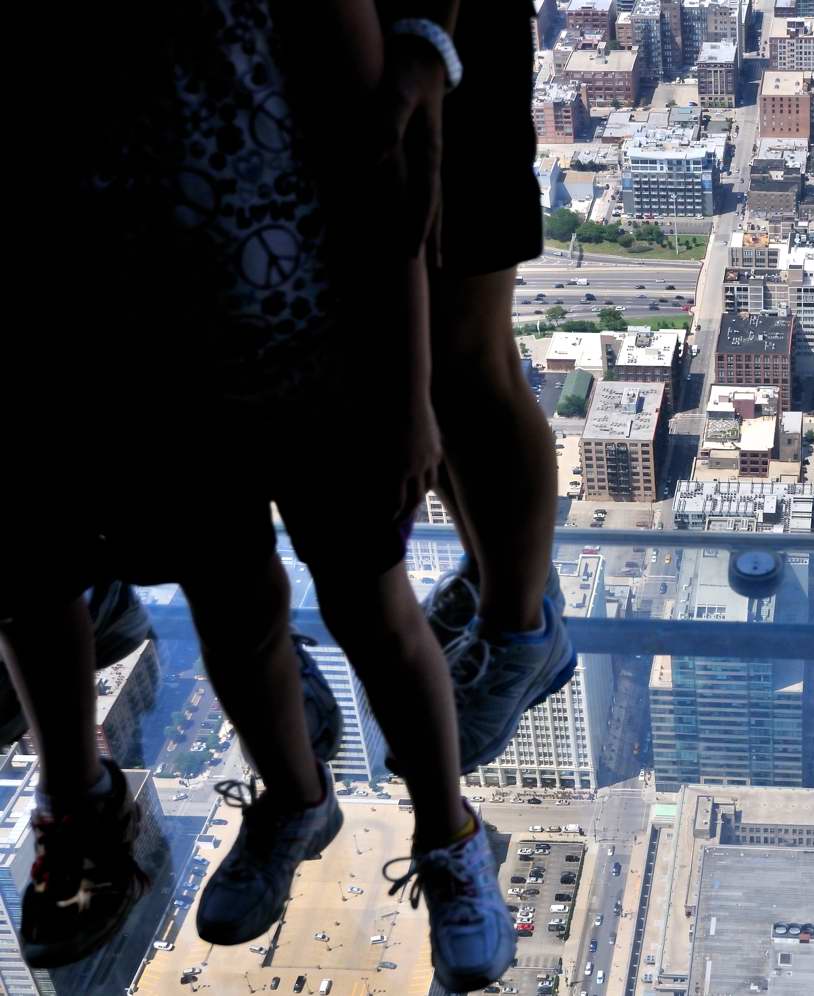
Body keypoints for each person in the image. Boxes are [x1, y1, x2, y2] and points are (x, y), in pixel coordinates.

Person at [1, 4, 511, 989]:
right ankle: (296, 798)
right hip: (170, 389)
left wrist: (410, 396)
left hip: (324, 369)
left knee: (374, 609)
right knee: (233, 613)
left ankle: (450, 837)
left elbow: (386, 179)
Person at [393, 3, 577, 777]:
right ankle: (495, 574)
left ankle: (519, 630)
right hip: (372, 63)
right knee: (421, 367)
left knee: (470, 361)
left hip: (450, 58)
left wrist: (425, 52)